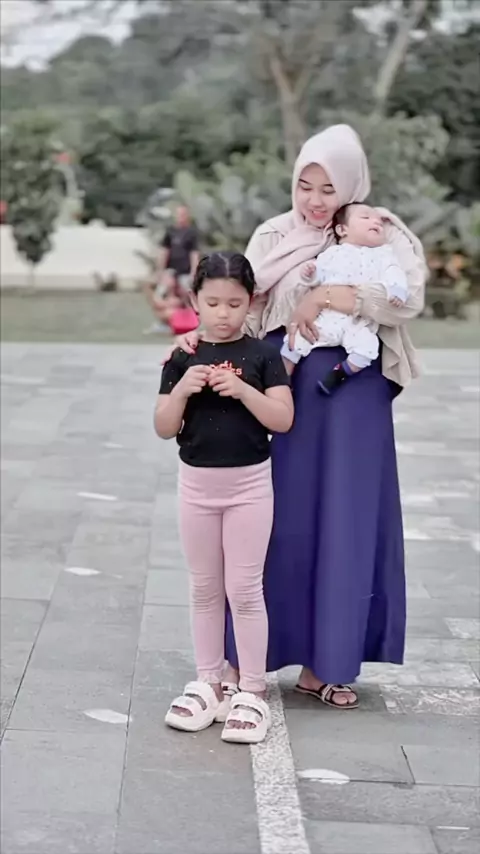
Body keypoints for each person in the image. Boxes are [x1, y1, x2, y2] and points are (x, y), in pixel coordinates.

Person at [175, 124, 427, 711]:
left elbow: (405, 300)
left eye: (329, 188)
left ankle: (327, 665)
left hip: (357, 394)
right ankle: (247, 658)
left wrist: (330, 297)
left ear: (352, 186)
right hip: (285, 390)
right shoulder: (274, 234)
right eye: (305, 186)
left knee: (346, 520)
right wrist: (201, 345)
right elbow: (241, 304)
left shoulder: (380, 228)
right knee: (277, 521)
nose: (315, 201)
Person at [155, 251, 293, 743]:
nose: (222, 313)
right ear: (194, 300)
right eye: (212, 302)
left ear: (250, 302)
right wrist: (181, 391)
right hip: (196, 488)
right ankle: (209, 682)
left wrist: (243, 390)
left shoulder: (263, 356)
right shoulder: (182, 356)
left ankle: (252, 690)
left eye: (234, 304)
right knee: (204, 587)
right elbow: (163, 427)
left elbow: (283, 419)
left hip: (249, 488)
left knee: (245, 588)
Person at [280, 202, 408, 395]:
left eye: (379, 222)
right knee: (297, 339)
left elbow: (394, 272)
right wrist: (310, 273)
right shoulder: (333, 253)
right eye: (365, 217)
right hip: (327, 316)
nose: (375, 222)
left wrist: (397, 289)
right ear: (342, 230)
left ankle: (340, 373)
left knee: (367, 348)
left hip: (359, 321)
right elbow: (318, 278)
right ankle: (282, 379)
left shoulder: (384, 255)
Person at [143, 206, 200, 335]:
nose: (181, 217)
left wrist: (194, 272)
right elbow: (164, 251)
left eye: (183, 214)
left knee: (187, 295)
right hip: (171, 270)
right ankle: (163, 323)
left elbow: (194, 253)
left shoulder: (191, 233)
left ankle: (189, 323)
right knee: (161, 294)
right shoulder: (170, 231)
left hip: (185, 271)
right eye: (179, 214)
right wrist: (160, 271)